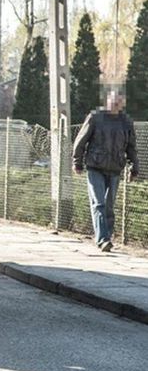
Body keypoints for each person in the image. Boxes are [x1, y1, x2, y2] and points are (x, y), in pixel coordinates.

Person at [72, 90, 140, 252]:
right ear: (107, 101)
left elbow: (131, 148)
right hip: (95, 167)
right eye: (113, 100)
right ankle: (103, 239)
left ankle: (107, 238)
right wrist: (77, 162)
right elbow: (81, 141)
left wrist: (134, 167)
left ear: (122, 103)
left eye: (119, 101)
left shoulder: (126, 122)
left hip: (115, 169)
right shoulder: (95, 117)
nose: (115, 103)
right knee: (99, 203)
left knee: (109, 206)